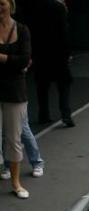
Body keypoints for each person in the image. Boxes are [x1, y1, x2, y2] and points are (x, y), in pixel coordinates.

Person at [25, 0, 74, 127]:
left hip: (41, 53)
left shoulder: (35, 7)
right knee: (64, 85)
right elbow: (64, 31)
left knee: (42, 86)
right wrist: (68, 52)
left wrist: (32, 53)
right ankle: (66, 114)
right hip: (58, 53)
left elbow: (31, 31)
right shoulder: (59, 7)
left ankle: (44, 115)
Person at [0, 0, 31, 198]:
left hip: (15, 92)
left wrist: (2, 58)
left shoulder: (22, 29)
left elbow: (25, 59)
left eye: (1, 3)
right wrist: (13, 61)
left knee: (14, 139)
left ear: (10, 5)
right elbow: (19, 61)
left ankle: (16, 183)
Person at [0, 114, 45, 179]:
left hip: (17, 105)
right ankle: (8, 166)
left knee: (24, 131)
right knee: (5, 133)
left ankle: (37, 163)